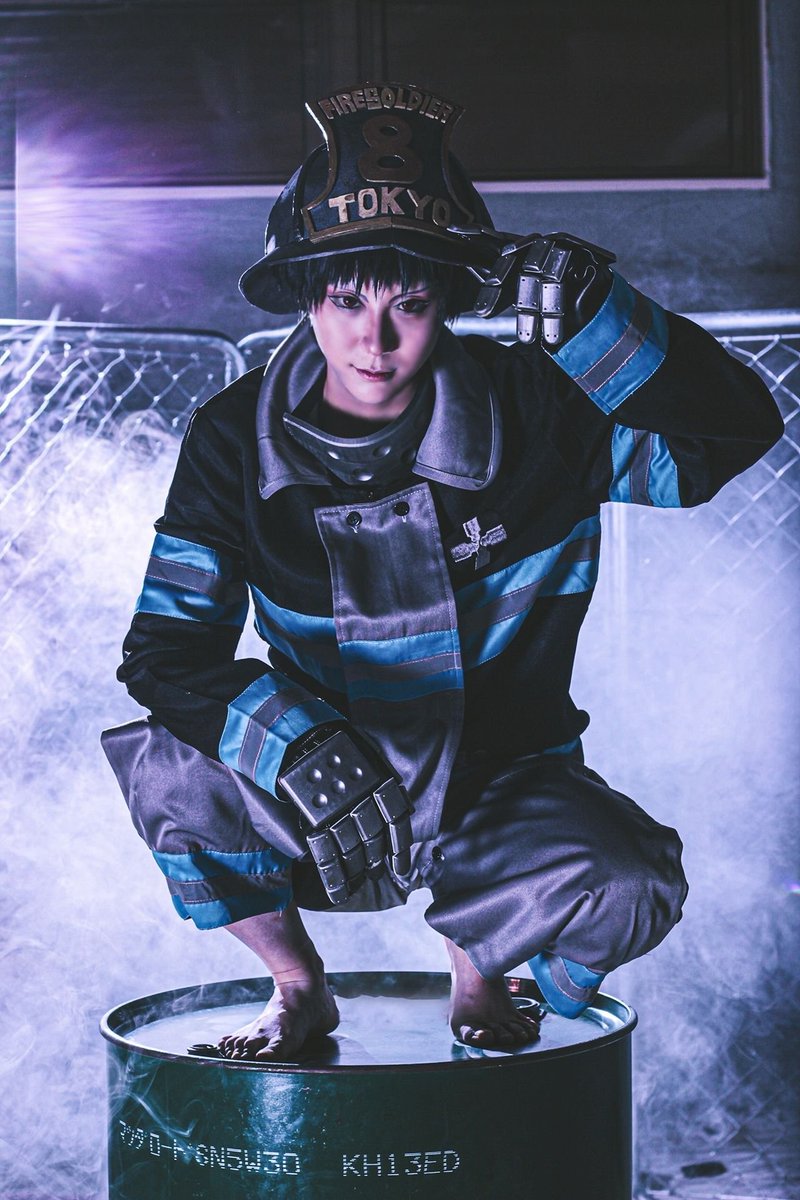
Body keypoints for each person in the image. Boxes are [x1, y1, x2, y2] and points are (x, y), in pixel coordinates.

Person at [103, 81, 783, 1061]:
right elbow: (166, 652)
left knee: (632, 879)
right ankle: (296, 988)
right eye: (345, 300)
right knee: (169, 768)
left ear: (452, 301)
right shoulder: (230, 439)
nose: (372, 341)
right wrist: (291, 743)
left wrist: (601, 316)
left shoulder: (541, 413)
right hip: (315, 799)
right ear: (305, 297)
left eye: (410, 303)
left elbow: (730, 436)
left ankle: (488, 966)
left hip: (501, 790)